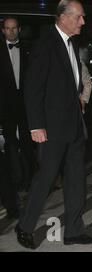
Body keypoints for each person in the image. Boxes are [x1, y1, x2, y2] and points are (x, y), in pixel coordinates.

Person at [15, 0, 92, 249]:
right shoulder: (46, 44)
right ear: (63, 17)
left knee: (77, 179)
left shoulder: (70, 42)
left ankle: (75, 231)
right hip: (52, 127)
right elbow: (33, 89)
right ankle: (24, 226)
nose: (83, 22)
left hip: (74, 124)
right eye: (79, 17)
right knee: (45, 179)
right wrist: (36, 126)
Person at [0, 17, 37, 193]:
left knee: (27, 143)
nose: (11, 31)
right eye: (8, 28)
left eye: (14, 28)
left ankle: (30, 178)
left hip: (25, 104)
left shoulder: (29, 49)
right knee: (11, 144)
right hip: (6, 106)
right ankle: (17, 178)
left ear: (19, 30)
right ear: (3, 31)